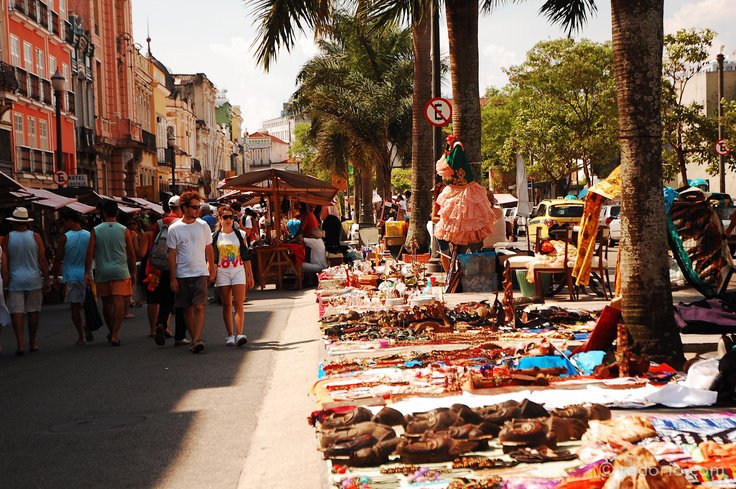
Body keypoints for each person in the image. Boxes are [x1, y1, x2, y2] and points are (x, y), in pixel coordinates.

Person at [167, 191, 216, 354]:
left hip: (200, 272)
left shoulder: (203, 226)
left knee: (199, 306)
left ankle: (196, 339)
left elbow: (209, 248)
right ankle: (196, 339)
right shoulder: (174, 228)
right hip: (182, 274)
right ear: (184, 207)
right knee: (187, 308)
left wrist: (211, 267)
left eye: (198, 207)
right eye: (194, 207)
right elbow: (171, 254)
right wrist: (173, 278)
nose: (197, 210)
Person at [85, 199, 136, 346]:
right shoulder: (124, 230)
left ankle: (111, 330)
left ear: (103, 213)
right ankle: (115, 334)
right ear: (117, 212)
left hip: (102, 271)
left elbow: (90, 254)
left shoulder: (96, 230)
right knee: (119, 302)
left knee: (107, 303)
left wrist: (87, 273)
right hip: (121, 270)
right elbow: (131, 253)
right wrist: (133, 271)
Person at [1, 207, 50, 355]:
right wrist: (47, 278)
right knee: (33, 311)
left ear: (13, 222)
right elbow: (42, 259)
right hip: (34, 279)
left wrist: (6, 280)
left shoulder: (8, 238)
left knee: (18, 312)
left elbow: (4, 261)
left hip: (15, 280)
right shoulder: (35, 237)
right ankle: (33, 342)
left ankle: (20, 344)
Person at [434, 134, 495, 246]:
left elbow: (453, 163)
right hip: (457, 188)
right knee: (459, 216)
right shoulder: (453, 148)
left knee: (469, 215)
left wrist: (448, 149)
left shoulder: (457, 146)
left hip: (466, 187)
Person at [147, 196, 189, 347]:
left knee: (165, 298)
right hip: (178, 265)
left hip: (161, 266)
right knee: (181, 300)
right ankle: (180, 336)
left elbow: (152, 245)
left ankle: (160, 323)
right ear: (182, 207)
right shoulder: (180, 223)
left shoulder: (159, 223)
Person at [213, 205, 254, 347]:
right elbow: (212, 258)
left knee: (239, 303)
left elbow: (246, 256)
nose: (228, 219)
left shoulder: (240, 234)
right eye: (225, 217)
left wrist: (250, 275)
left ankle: (240, 334)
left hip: (238, 270)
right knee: (226, 304)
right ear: (219, 218)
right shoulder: (215, 236)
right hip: (222, 272)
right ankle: (230, 335)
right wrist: (212, 273)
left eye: (231, 217)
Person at [54, 210, 91, 345]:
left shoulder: (64, 237)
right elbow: (92, 254)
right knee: (88, 304)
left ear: (69, 220)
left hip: (71, 275)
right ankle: (88, 325)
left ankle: (81, 336)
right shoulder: (89, 235)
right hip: (86, 274)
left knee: (75, 307)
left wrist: (55, 275)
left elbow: (58, 258)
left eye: (64, 221)